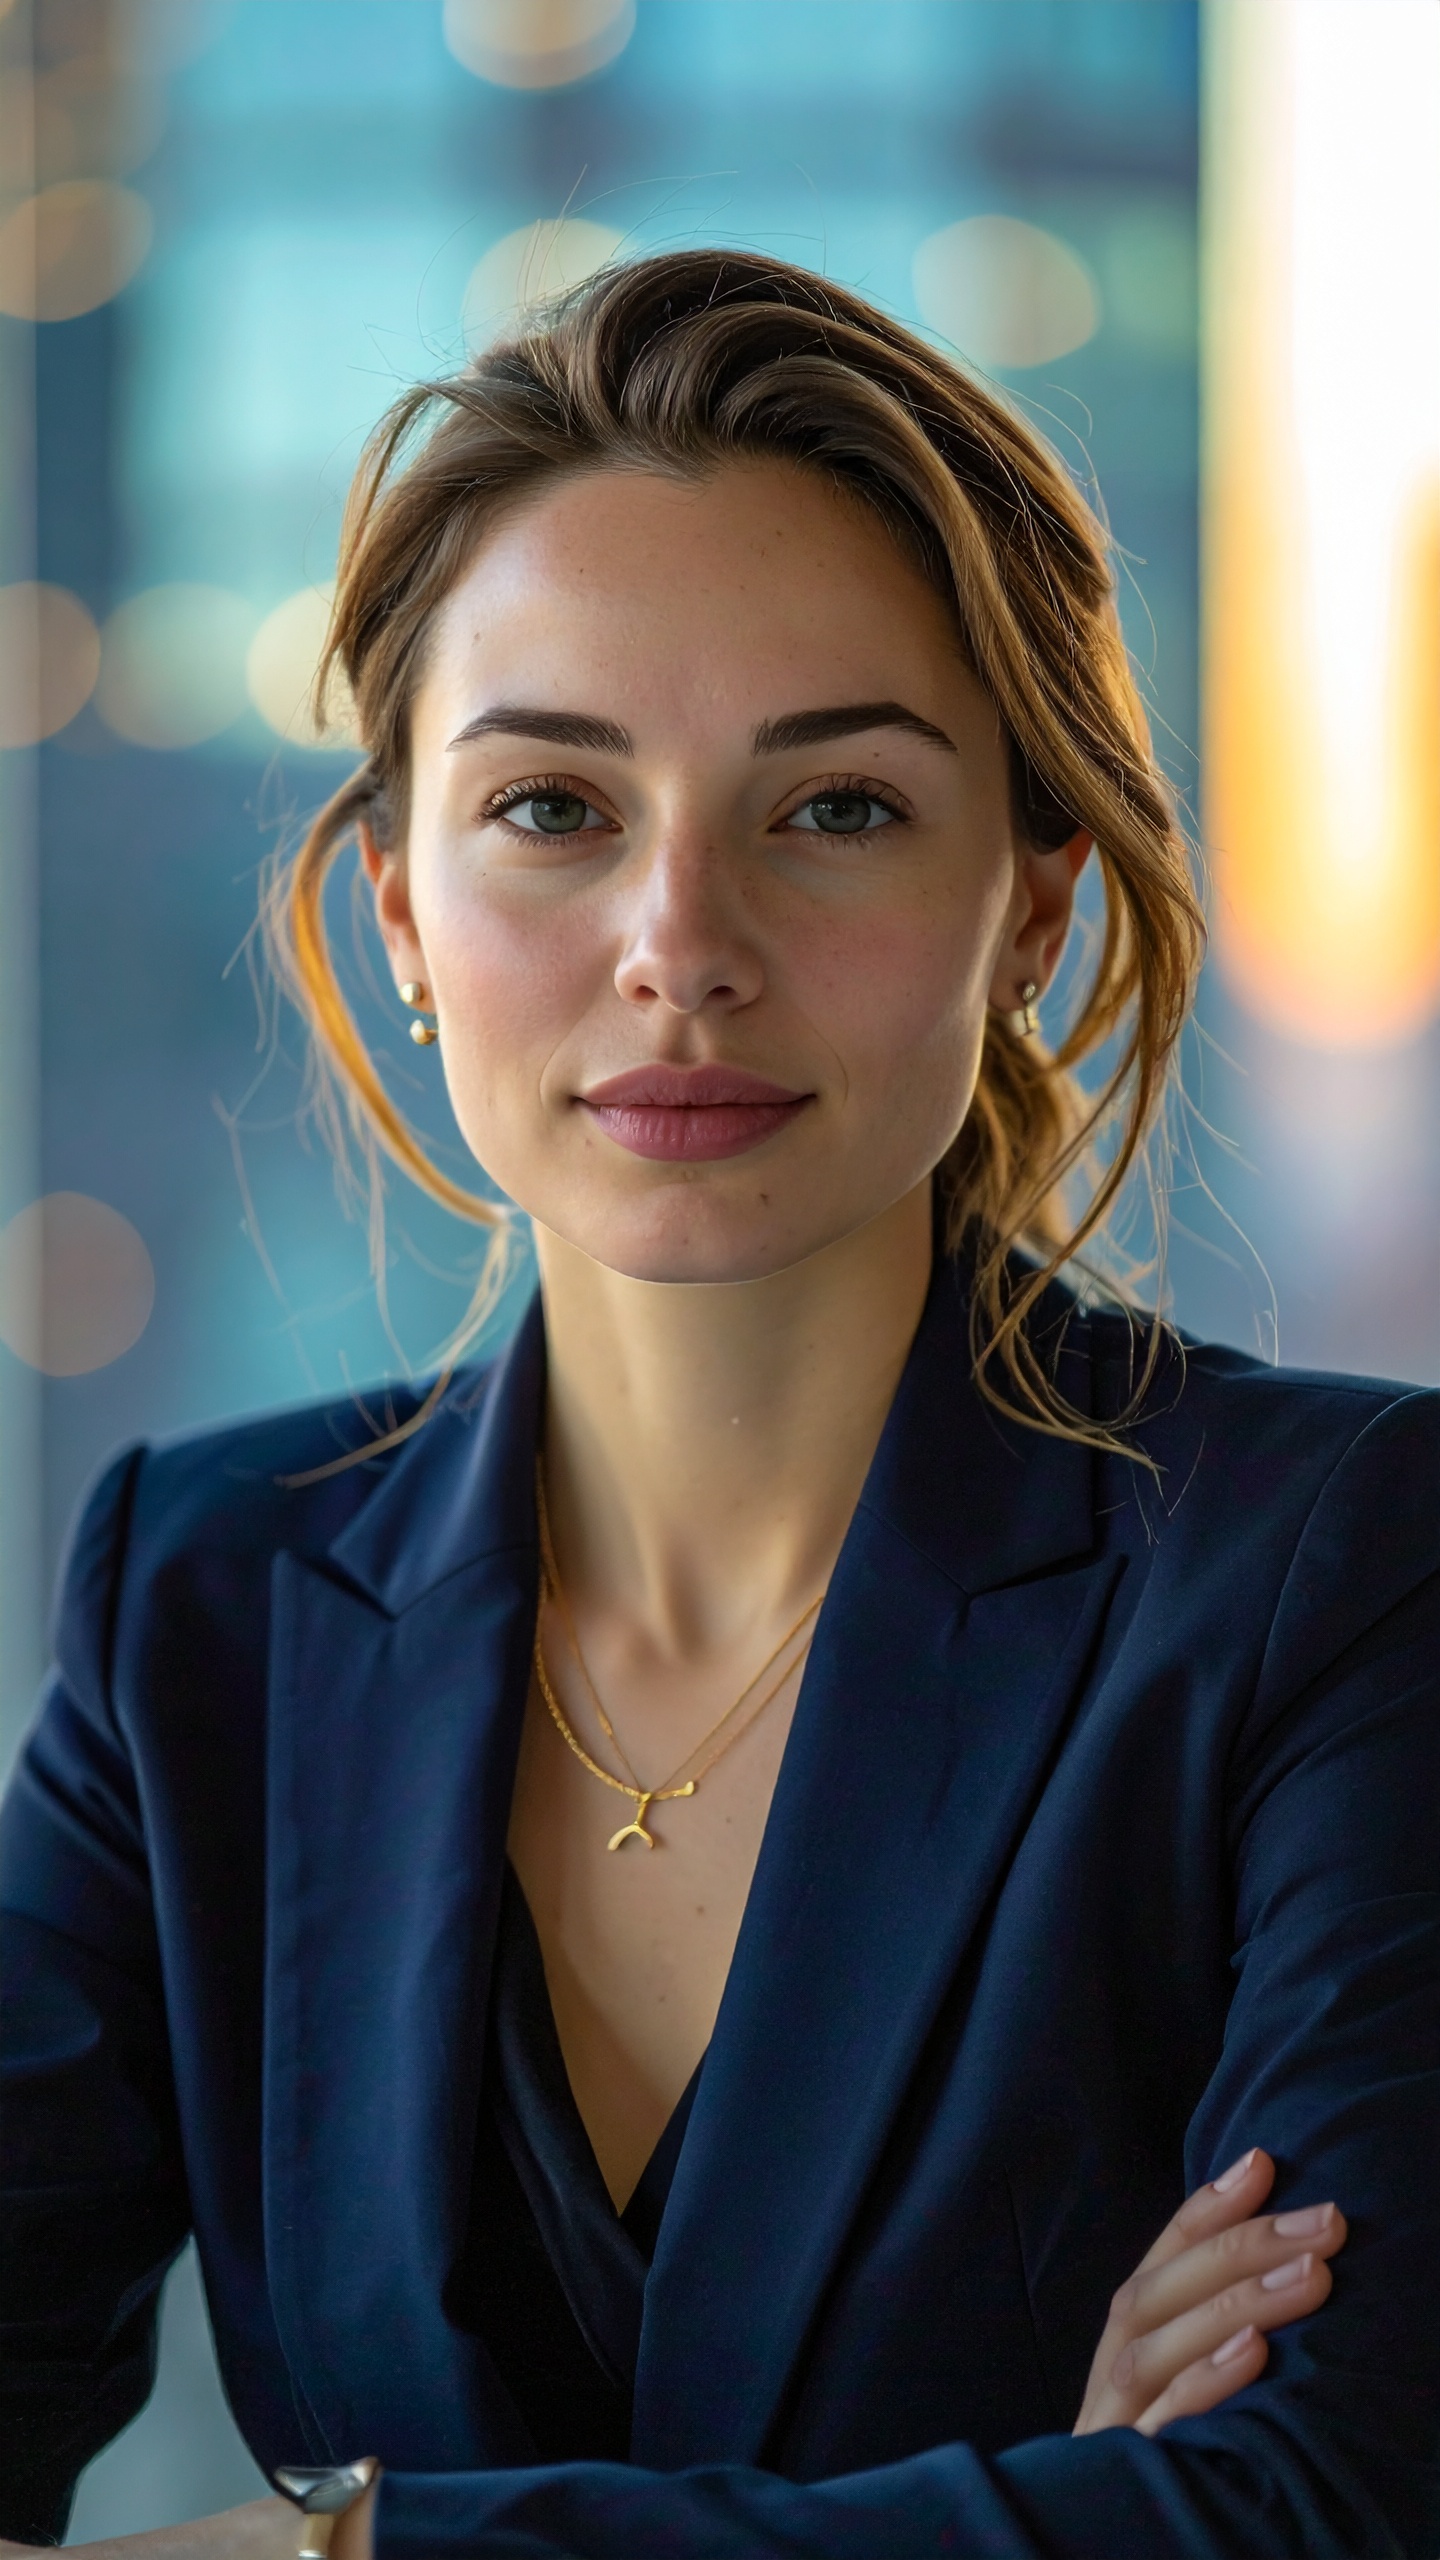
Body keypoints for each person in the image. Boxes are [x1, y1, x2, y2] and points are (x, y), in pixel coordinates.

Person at [1, 251, 1436, 2560]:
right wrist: (1046, 2508)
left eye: (840, 806)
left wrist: (330, 2544)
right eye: (554, 807)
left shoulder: (1340, 1565)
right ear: (395, 899)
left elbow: (1322, 2508)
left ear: (1035, 899)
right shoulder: (205, 1595)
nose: (683, 934)